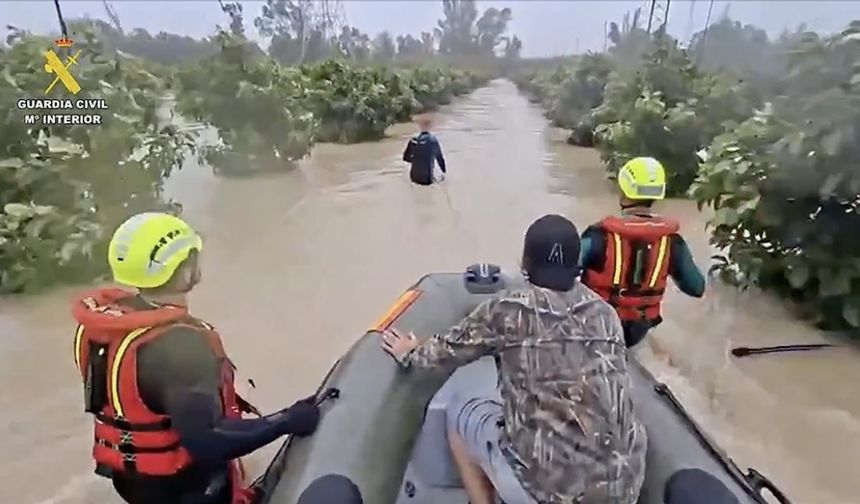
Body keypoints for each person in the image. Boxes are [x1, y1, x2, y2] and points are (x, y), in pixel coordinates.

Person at [381, 214, 647, 504]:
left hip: (550, 494)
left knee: (458, 413)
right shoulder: (606, 313)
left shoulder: (508, 309)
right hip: (624, 488)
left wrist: (409, 350)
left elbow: (440, 354)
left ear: (525, 264)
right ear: (577, 266)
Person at [71, 212, 321, 504]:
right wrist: (286, 421)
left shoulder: (106, 328)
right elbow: (207, 442)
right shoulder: (180, 345)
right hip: (185, 489)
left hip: (130, 483)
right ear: (185, 269)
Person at [579, 157, 706, 348]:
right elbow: (697, 288)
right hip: (639, 328)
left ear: (623, 189)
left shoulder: (598, 236)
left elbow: (563, 274)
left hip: (598, 323)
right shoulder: (671, 241)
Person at [402, 114, 446, 185]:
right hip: (427, 179)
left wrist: (416, 159)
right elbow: (439, 158)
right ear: (430, 126)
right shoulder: (433, 140)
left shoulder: (413, 139)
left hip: (414, 177)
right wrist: (444, 172)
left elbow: (405, 158)